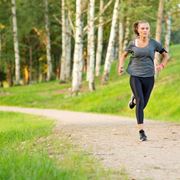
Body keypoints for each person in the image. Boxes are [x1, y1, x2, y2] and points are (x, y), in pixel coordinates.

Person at [118, 20, 169, 141]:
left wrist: (162, 65)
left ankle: (133, 100)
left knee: (143, 104)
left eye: (147, 28)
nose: (145, 30)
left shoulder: (153, 43)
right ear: (138, 30)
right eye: (143, 28)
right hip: (135, 75)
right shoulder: (132, 44)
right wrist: (120, 66)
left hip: (149, 76)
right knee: (141, 102)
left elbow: (166, 55)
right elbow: (123, 55)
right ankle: (141, 132)